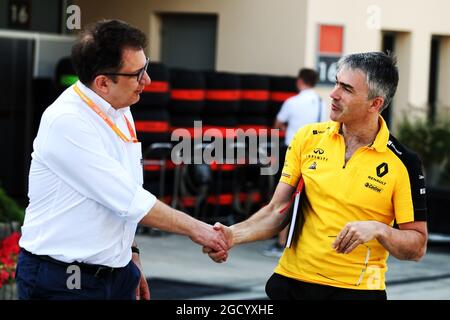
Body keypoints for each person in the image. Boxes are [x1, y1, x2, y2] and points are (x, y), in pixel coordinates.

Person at [16, 19, 228, 300]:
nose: (147, 81)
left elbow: (121, 196)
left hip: (114, 273)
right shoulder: (67, 121)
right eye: (138, 74)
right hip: (65, 278)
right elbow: (127, 199)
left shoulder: (119, 107)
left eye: (146, 67)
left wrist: (131, 253)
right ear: (103, 82)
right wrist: (200, 230)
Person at [204, 52, 428, 300]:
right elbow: (276, 210)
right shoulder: (307, 138)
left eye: (347, 89)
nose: (333, 94)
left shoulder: (403, 162)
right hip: (290, 283)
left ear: (375, 104)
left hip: (354, 292)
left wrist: (379, 230)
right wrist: (232, 235)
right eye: (335, 83)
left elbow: (417, 246)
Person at [263, 68, 328, 257]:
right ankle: (295, 240)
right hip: (314, 154)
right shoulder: (322, 103)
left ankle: (281, 241)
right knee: (303, 198)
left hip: (292, 152)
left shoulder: (292, 102)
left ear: (300, 81)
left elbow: (277, 124)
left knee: (284, 197)